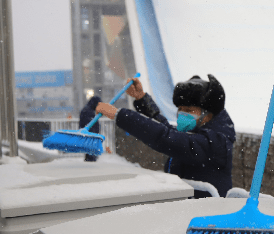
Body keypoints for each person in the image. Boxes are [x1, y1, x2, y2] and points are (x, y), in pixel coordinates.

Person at [92, 74, 236, 198]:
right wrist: (142, 99)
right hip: (188, 212)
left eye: (189, 110)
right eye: (180, 109)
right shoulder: (196, 134)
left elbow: (165, 137)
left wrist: (120, 115)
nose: (182, 114)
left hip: (208, 220)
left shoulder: (216, 143)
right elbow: (166, 129)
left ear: (208, 115)